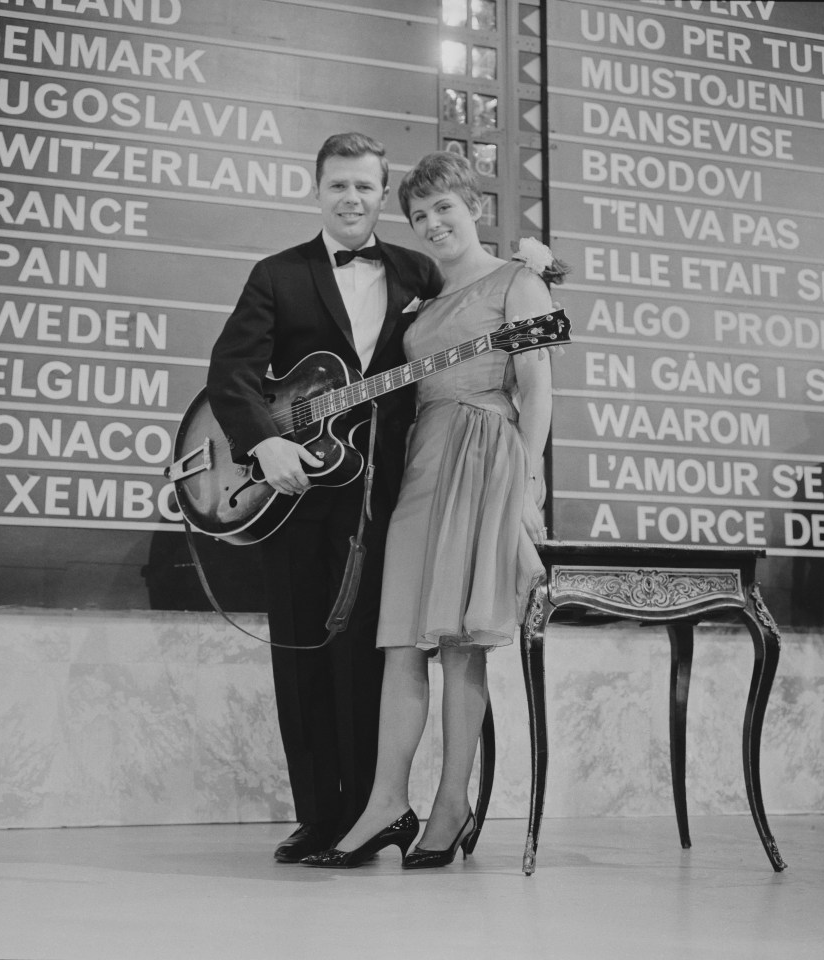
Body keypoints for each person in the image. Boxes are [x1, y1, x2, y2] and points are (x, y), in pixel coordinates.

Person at [301, 151, 567, 869]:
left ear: (471, 206)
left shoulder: (520, 281)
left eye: (443, 208)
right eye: (419, 216)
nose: (432, 224)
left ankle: (452, 803)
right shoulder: (416, 299)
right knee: (399, 643)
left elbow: (537, 387)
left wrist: (527, 486)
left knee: (460, 643)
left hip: (486, 454)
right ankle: (387, 802)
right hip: (423, 461)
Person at [206, 133, 442, 863]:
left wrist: (529, 272)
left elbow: (475, 328)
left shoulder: (419, 273)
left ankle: (373, 813)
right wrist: (263, 443)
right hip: (296, 491)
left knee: (373, 654)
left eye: (365, 187)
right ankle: (317, 815)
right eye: (338, 185)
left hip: (391, 491)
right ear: (318, 190)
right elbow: (231, 371)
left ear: (382, 194)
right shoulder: (278, 274)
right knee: (302, 649)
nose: (351, 199)